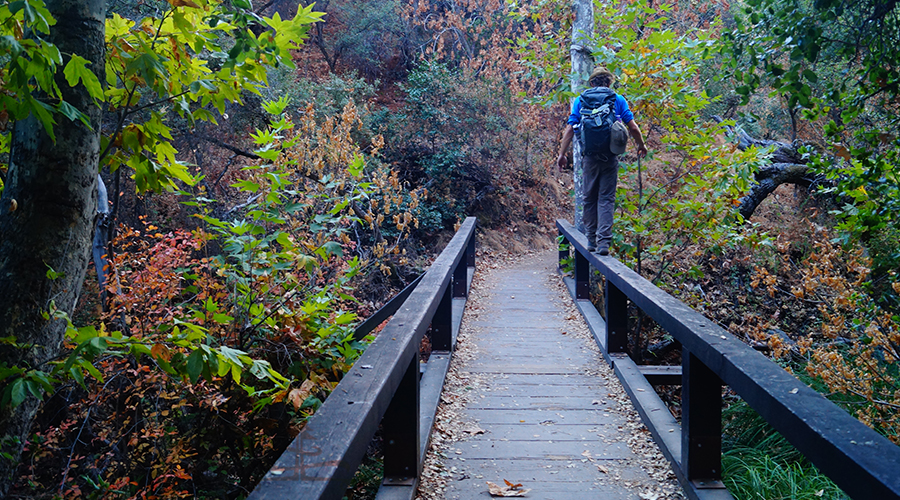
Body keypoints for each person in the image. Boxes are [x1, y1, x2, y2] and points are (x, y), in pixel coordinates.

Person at [556, 66, 647, 255]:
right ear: (609, 82)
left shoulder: (581, 101)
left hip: (589, 157)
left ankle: (591, 240)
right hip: (610, 156)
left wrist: (562, 154)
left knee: (589, 197)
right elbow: (633, 127)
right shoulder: (618, 99)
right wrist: (641, 145)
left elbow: (570, 129)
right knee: (606, 199)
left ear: (591, 83)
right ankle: (604, 243)